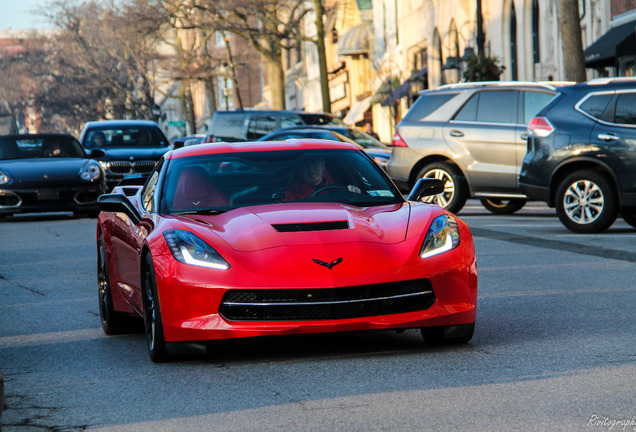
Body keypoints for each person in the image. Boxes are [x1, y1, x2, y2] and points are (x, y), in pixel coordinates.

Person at [283, 156, 360, 201]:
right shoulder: (289, 195)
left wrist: (355, 195)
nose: (311, 168)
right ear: (299, 169)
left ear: (323, 165)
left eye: (315, 162)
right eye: (305, 164)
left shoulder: (339, 189)